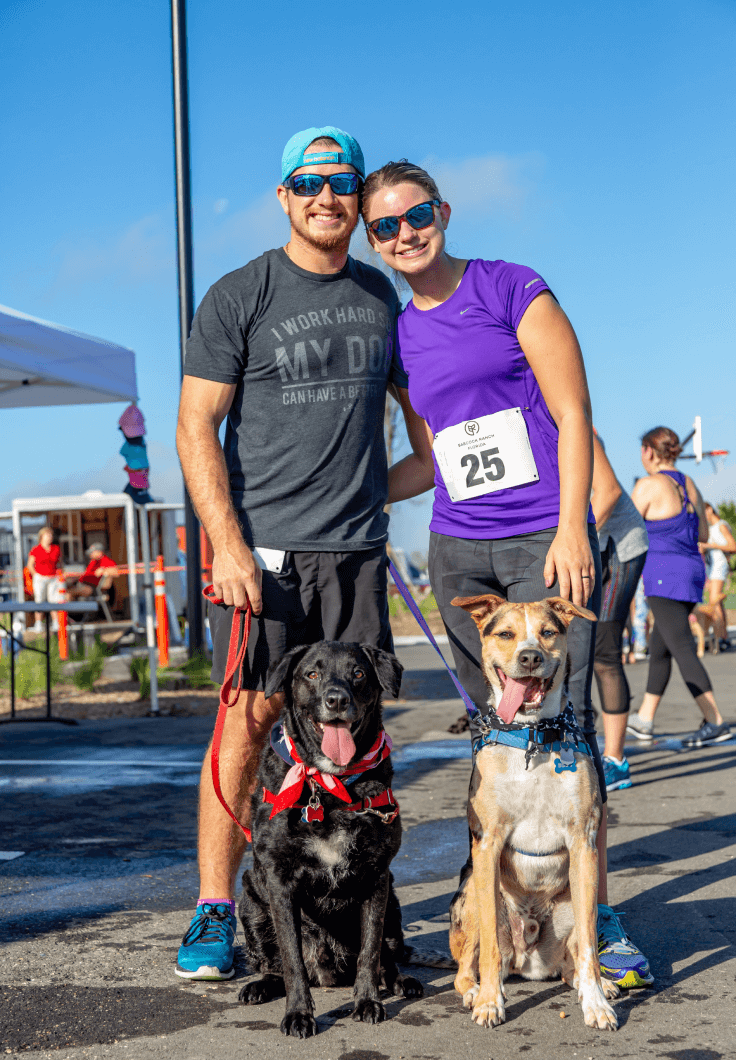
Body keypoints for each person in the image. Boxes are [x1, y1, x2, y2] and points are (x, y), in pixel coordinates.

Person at [361, 159, 652, 989]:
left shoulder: (509, 287)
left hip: (537, 537)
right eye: (384, 226)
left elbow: (572, 413)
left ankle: (597, 913)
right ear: (373, 239)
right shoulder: (400, 334)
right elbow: (430, 458)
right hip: (458, 546)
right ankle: (498, 894)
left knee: (564, 726)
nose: (404, 234)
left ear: (442, 211)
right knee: (500, 724)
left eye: (416, 215)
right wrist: (353, 499)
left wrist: (571, 529)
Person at [175, 127, 427, 981]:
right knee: (247, 723)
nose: (327, 195)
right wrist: (226, 542)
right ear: (283, 196)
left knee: (357, 726)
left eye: (342, 181)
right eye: (308, 181)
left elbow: (425, 428)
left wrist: (377, 493)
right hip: (264, 555)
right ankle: (216, 907)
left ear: (358, 199)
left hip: (355, 555)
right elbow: (194, 427)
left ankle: (360, 911)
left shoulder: (379, 298)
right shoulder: (241, 294)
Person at [627, 427, 731, 747]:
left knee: (682, 647)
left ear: (648, 451)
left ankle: (714, 720)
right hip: (691, 572)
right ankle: (644, 718)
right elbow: (702, 533)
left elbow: (625, 529)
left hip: (663, 574)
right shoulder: (690, 485)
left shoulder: (647, 486)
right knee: (661, 648)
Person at [590, 433, 648, 791]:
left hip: (620, 546)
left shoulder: (579, 426)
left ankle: (616, 761)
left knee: (604, 652)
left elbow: (608, 492)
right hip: (593, 546)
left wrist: (570, 537)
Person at [701, 501, 736, 650]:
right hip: (712, 567)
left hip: (720, 567)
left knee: (714, 601)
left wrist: (710, 546)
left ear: (709, 509)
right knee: (717, 603)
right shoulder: (710, 528)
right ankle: (723, 637)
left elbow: (733, 546)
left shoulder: (721, 525)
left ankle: (721, 637)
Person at [27, 526, 62, 632]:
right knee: (39, 601)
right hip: (40, 578)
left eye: (51, 535)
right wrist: (36, 575)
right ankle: (38, 624)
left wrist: (59, 574)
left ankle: (56, 622)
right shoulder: (36, 549)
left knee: (53, 600)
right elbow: (30, 565)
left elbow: (60, 563)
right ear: (42, 536)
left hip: (53, 578)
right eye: (47, 535)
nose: (50, 537)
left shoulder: (56, 548)